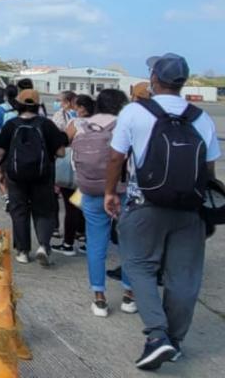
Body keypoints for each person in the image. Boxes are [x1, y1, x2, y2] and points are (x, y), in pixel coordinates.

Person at [105, 53, 220, 369]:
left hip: (145, 205)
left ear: (154, 79)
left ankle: (157, 336)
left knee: (140, 267)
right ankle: (176, 340)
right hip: (189, 211)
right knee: (183, 278)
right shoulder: (202, 118)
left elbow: (116, 158)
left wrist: (109, 193)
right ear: (182, 82)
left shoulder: (134, 112)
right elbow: (208, 171)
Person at [71, 89, 136, 318]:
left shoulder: (82, 125)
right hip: (122, 191)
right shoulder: (125, 125)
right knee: (129, 243)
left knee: (96, 244)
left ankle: (99, 298)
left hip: (90, 192)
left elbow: (73, 160)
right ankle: (129, 294)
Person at [0, 88, 69, 266]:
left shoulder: (11, 125)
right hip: (42, 175)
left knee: (19, 211)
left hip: (15, 175)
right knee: (43, 210)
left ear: (18, 104)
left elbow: (1, 152)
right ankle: (43, 246)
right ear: (38, 106)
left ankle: (22, 251)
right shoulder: (46, 125)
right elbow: (60, 152)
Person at [55, 94, 95, 256]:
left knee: (71, 207)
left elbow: (64, 141)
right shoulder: (98, 123)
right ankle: (86, 240)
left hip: (75, 170)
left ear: (82, 108)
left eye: (76, 107)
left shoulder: (76, 123)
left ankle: (68, 244)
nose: (74, 109)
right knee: (85, 206)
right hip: (93, 171)